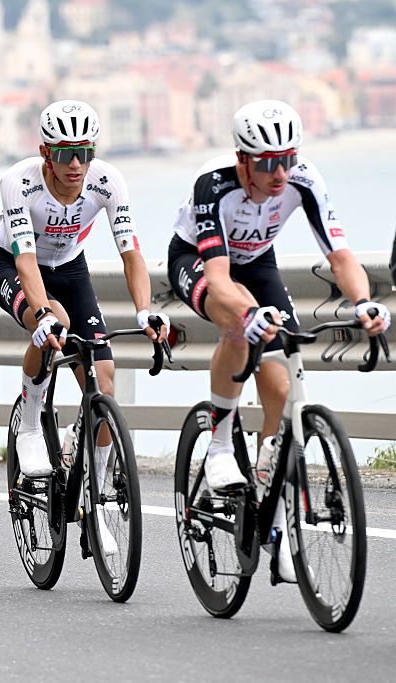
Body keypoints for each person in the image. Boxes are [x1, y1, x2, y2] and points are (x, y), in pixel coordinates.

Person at [167, 99, 390, 580]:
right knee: (236, 320)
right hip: (201, 262)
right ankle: (221, 445)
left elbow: (341, 256)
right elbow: (222, 277)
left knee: (284, 384)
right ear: (243, 159)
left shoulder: (304, 179)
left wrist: (362, 303)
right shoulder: (215, 185)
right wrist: (247, 314)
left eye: (287, 160)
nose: (279, 174)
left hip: (259, 261)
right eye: (268, 164)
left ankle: (270, 484)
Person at [0, 100, 168, 477]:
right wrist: (41, 315)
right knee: (56, 320)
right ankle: (31, 427)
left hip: (71, 269)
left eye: (85, 153)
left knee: (103, 378)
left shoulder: (107, 180)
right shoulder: (19, 182)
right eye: (67, 154)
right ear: (45, 153)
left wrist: (144, 310)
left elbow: (131, 253)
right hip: (16, 264)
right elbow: (24, 260)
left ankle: (95, 487)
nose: (76, 164)